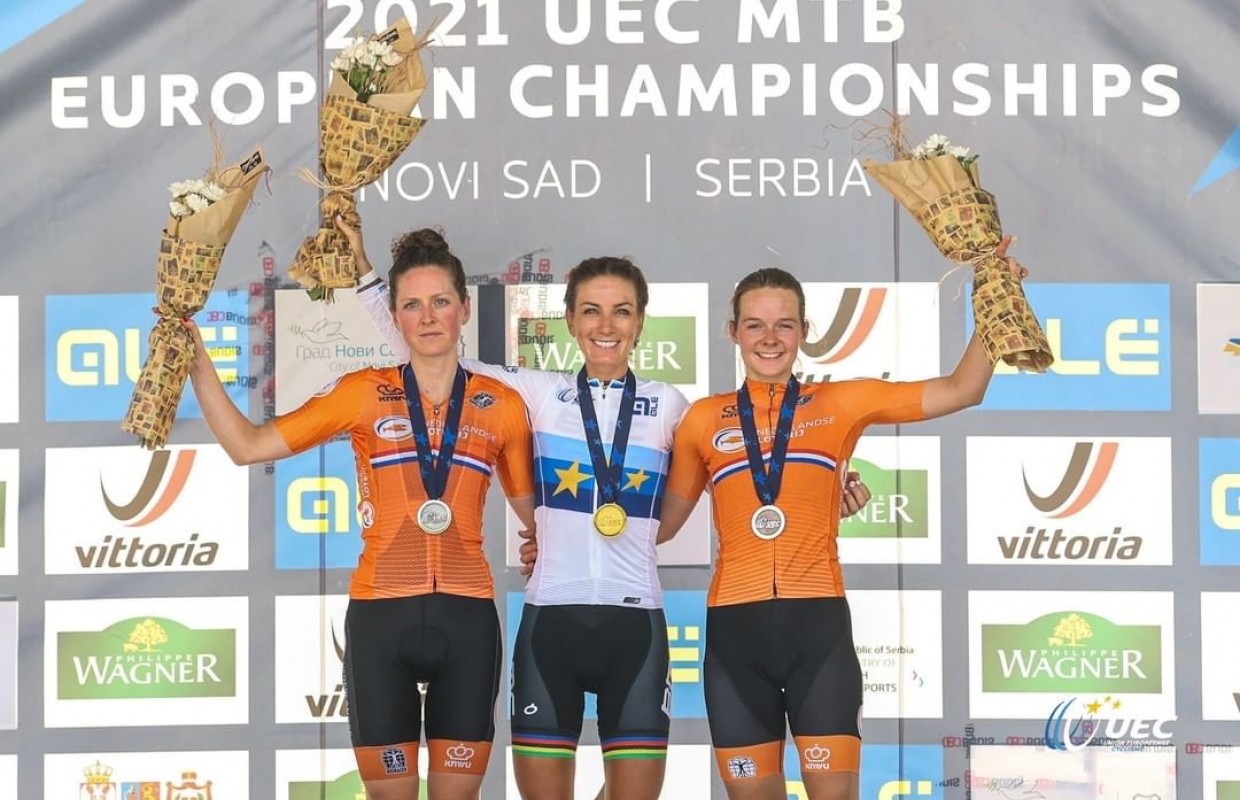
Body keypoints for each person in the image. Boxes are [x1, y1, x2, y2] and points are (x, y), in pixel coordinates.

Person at [344, 220, 873, 800]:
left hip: (636, 622)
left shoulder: (671, 406)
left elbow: (744, 474)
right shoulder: (538, 394)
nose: (606, 326)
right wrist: (367, 280)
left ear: (640, 323)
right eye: (591, 311)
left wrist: (825, 497)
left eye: (621, 312)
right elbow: (431, 351)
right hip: (550, 621)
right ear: (570, 322)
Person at [651, 241, 1028, 800]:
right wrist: (563, 540)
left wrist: (998, 299)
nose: (770, 338)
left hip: (818, 632)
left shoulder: (841, 402)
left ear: (805, 331)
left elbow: (962, 389)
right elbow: (661, 525)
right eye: (755, 325)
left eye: (784, 325)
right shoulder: (703, 419)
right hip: (734, 637)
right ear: (733, 332)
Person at [186, 228, 536, 800]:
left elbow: (535, 516)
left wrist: (550, 541)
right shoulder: (362, 393)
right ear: (395, 317)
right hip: (380, 620)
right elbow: (247, 446)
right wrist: (197, 361)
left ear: (465, 308)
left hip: (468, 619)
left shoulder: (503, 405)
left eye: (441, 301)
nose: (428, 317)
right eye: (412, 305)